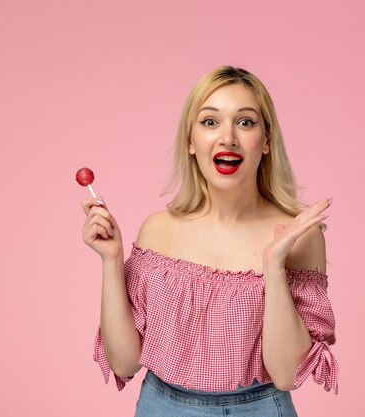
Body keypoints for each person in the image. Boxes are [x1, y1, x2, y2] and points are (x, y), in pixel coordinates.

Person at [81, 65, 339, 416]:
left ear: (266, 141)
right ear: (190, 141)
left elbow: (286, 375)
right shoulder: (157, 230)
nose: (228, 137)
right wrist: (111, 260)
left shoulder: (298, 235)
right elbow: (125, 363)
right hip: (161, 406)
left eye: (245, 122)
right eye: (210, 122)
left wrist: (274, 266)